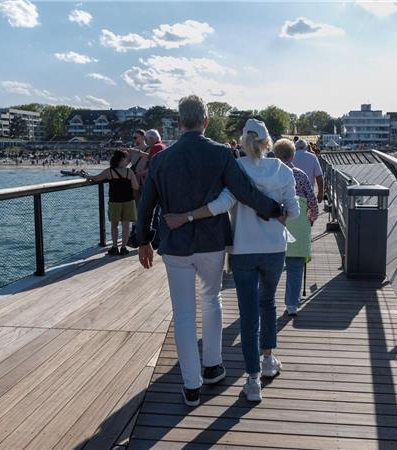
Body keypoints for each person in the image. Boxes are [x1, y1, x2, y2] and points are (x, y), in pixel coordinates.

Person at [136, 95, 284, 407]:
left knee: (184, 313)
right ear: (205, 122)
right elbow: (243, 191)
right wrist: (274, 209)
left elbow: (146, 202)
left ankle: (191, 384)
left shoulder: (160, 160)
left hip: (175, 246)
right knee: (212, 299)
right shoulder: (220, 154)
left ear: (179, 122)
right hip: (211, 243)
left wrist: (144, 240)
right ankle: (213, 365)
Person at [165, 119, 299, 402]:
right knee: (268, 303)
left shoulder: (236, 168)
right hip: (275, 248)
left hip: (243, 251)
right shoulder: (284, 170)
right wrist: (278, 216)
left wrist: (187, 217)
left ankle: (252, 382)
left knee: (248, 312)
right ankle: (268, 361)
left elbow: (220, 205)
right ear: (267, 143)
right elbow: (294, 212)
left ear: (243, 141)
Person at [272, 138, 318, 316]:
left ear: (275, 155)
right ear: (292, 156)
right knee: (295, 267)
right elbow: (312, 202)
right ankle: (292, 304)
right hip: (298, 224)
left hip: (275, 224)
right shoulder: (300, 175)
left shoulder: (271, 175)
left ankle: (266, 301)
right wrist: (311, 218)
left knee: (271, 267)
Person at [86, 149, 139, 255]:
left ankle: (114, 247)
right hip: (128, 201)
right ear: (122, 159)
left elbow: (96, 178)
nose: (128, 160)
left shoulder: (109, 171)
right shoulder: (129, 172)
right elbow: (136, 187)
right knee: (126, 226)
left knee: (114, 225)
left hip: (115, 201)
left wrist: (87, 176)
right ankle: (123, 248)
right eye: (126, 158)